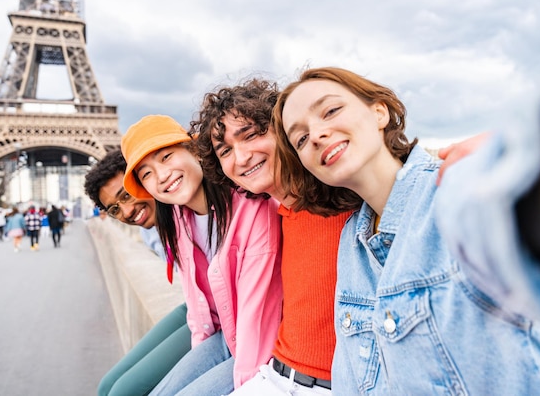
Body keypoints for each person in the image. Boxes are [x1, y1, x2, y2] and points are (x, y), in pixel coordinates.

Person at [272, 66, 540, 394]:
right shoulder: (352, 241)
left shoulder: (455, 189)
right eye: (301, 138)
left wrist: (526, 147)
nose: (317, 134)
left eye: (331, 110)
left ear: (379, 112)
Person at [191, 78, 361, 395]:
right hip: (275, 376)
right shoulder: (277, 216)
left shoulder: (343, 197)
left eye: (252, 135)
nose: (241, 157)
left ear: (284, 130)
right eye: (225, 150)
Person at [120, 115, 282, 396]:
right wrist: (200, 355)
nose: (161, 176)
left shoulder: (251, 205)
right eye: (146, 174)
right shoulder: (178, 219)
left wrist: (245, 387)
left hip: (263, 345)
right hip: (227, 337)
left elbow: (259, 315)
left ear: (195, 150)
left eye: (166, 157)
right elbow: (197, 306)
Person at [436, 76, 540, 345]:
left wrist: (502, 159)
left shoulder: (447, 184)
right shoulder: (350, 228)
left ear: (380, 112)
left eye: (333, 111)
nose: (329, 131)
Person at [84, 148, 192, 396]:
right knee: (106, 387)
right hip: (194, 306)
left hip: (216, 316)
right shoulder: (148, 232)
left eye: (127, 195)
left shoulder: (189, 209)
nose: (127, 211)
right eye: (114, 209)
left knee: (122, 392)